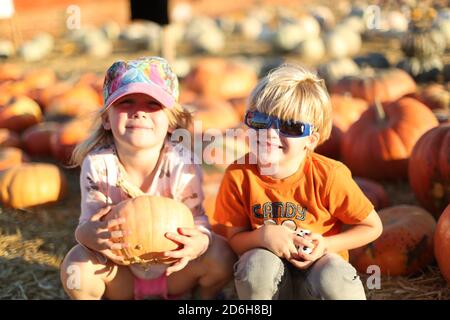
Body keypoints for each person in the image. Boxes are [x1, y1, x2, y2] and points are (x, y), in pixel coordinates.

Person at [60, 56, 236, 300]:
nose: (139, 112)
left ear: (172, 122)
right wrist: (89, 236)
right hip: (120, 277)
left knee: (222, 253)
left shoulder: (182, 162)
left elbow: (199, 220)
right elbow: (86, 224)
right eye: (126, 102)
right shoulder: (99, 163)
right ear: (106, 119)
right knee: (75, 267)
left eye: (153, 104)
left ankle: (200, 301)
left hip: (176, 273)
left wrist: (200, 242)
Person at [213, 64, 383, 300]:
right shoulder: (239, 175)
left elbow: (373, 226)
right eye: (261, 120)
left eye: (291, 127)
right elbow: (235, 239)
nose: (271, 134)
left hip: (316, 275)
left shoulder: (329, 175)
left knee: (336, 276)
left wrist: (325, 245)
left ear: (311, 140)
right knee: (256, 266)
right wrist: (263, 237)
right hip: (269, 277)